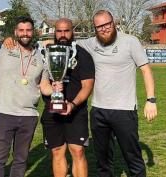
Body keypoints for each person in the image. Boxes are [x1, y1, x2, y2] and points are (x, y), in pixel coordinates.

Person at [77, 10, 157, 177]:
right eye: (99, 26)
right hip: (98, 110)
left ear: (114, 23)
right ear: (95, 28)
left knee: (133, 159)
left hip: (124, 110)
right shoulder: (91, 43)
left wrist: (151, 100)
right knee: (103, 161)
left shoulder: (130, 42)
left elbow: (146, 70)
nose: (104, 29)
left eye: (107, 24)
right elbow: (64, 41)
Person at [0, 16, 56, 177]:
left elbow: (44, 85)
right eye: (21, 30)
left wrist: (56, 90)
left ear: (33, 32)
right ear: (15, 32)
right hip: (3, 113)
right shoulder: (2, 49)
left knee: (20, 160)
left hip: (28, 116)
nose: (25, 33)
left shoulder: (40, 57)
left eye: (28, 30)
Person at [40, 18, 95, 177]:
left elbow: (87, 86)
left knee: (77, 151)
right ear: (54, 32)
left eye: (66, 31)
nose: (62, 34)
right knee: (57, 151)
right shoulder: (46, 53)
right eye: (59, 31)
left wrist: (72, 104)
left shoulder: (82, 55)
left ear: (73, 32)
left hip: (76, 111)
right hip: (52, 111)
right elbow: (43, 83)